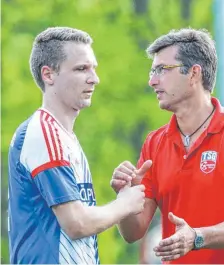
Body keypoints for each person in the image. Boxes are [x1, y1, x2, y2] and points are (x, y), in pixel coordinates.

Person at [110, 28, 224, 264]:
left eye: (162, 70)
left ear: (194, 73)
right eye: (152, 71)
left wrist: (197, 237)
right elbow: (132, 233)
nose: (152, 80)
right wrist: (124, 198)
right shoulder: (154, 143)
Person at [7, 27, 146, 264]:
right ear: (48, 75)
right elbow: (76, 224)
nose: (94, 78)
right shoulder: (44, 132)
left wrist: (123, 193)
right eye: (81, 68)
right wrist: (124, 204)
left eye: (93, 68)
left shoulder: (64, 136)